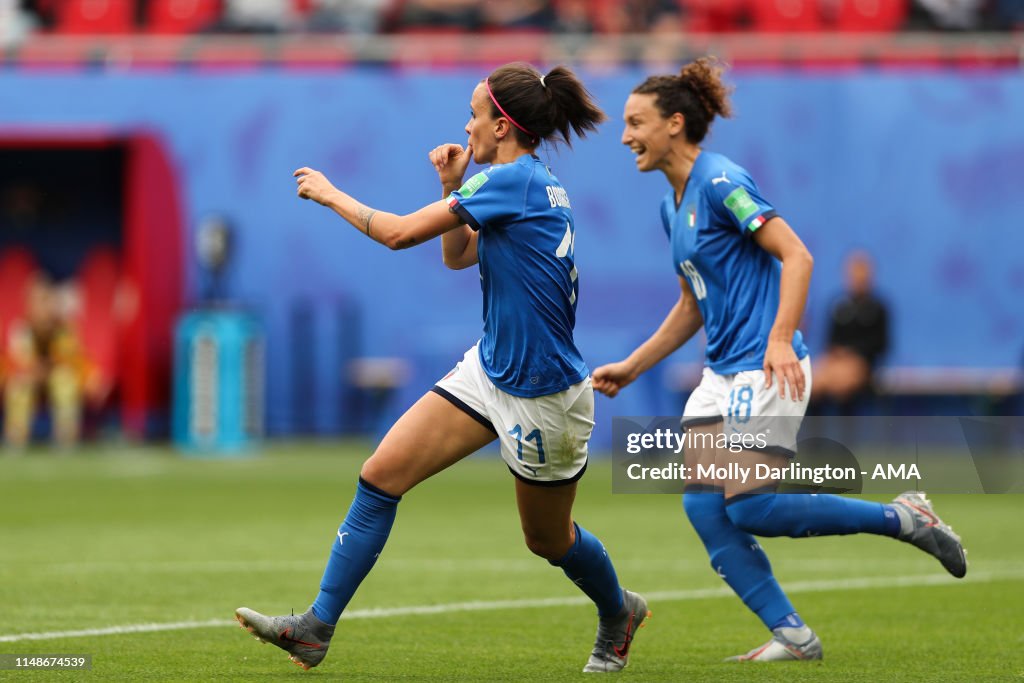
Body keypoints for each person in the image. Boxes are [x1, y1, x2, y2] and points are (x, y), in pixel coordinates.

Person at [235, 62, 649, 673]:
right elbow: (458, 258)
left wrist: (329, 193)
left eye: (476, 115)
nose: (467, 125)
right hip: (491, 371)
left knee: (548, 540)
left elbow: (400, 236)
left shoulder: (515, 182)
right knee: (380, 475)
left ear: (503, 127)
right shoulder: (520, 183)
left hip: (545, 396)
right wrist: (452, 186)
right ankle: (315, 628)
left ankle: (619, 611)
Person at [592, 57, 966, 662]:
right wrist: (634, 365)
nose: (625, 135)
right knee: (703, 506)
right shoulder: (673, 204)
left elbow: (798, 256)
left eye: (636, 121)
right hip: (723, 372)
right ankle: (792, 636)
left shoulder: (720, 182)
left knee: (754, 506)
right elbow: (693, 301)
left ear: (675, 124)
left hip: (767, 366)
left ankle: (903, 516)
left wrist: (779, 337)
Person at [2, 273, 97, 449]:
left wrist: (91, 378)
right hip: (30, 378)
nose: (43, 309)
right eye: (37, 302)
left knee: (65, 380)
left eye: (46, 302)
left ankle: (66, 435)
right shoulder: (21, 328)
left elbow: (72, 359)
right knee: (18, 385)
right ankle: (16, 435)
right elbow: (20, 362)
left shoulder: (63, 329)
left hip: (54, 376)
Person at [812, 250, 890, 410]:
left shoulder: (878, 308)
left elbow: (882, 345)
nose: (858, 277)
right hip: (837, 362)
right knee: (814, 385)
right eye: (854, 272)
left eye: (862, 271)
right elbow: (830, 341)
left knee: (843, 385)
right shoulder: (839, 305)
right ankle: (814, 432)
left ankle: (845, 434)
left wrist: (853, 355)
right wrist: (836, 356)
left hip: (864, 365)